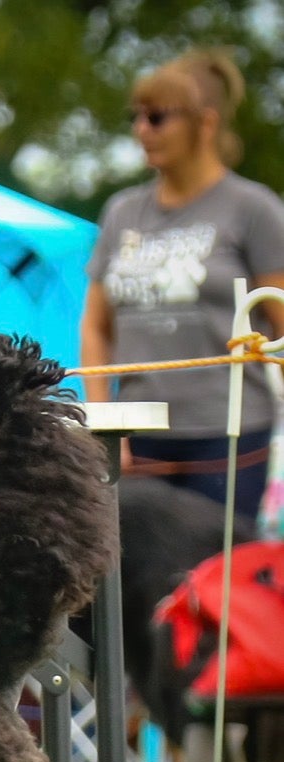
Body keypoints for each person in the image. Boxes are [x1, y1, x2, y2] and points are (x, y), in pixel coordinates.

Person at [81, 48, 284, 520]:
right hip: (138, 435)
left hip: (228, 435)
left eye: (156, 118)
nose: (141, 131)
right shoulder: (122, 212)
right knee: (138, 585)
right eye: (136, 117)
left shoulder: (252, 209)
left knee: (214, 582)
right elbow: (95, 328)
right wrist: (103, 426)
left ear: (205, 123)